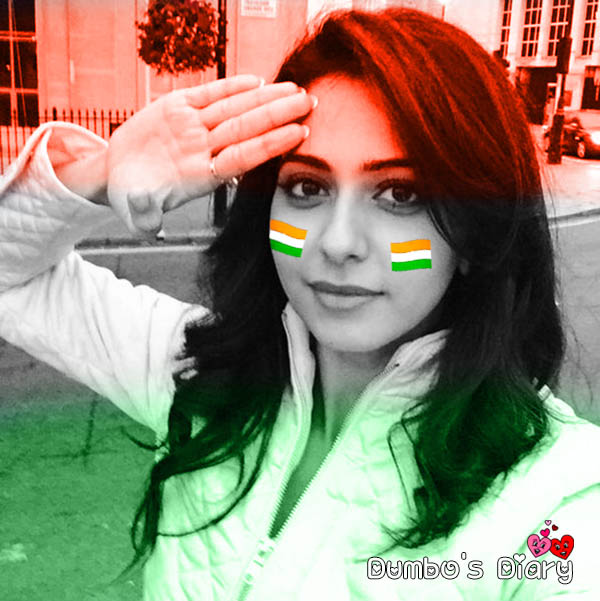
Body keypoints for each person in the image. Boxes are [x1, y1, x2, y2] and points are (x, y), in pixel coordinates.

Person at [1, 7, 599, 601]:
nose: (337, 242)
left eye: (400, 194)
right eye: (308, 187)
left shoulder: (558, 501)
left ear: (471, 236)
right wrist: (99, 171)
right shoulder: (199, 375)